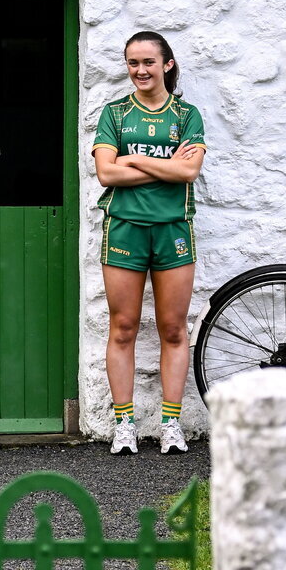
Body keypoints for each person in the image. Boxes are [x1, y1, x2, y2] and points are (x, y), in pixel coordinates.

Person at [92, 31, 206, 455]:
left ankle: (170, 425)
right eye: (133, 63)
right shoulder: (116, 114)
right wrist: (165, 164)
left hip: (173, 228)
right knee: (123, 327)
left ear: (167, 65)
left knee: (173, 329)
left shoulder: (187, 115)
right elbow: (107, 174)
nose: (140, 70)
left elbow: (188, 174)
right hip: (125, 227)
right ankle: (125, 425)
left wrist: (133, 159)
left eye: (148, 63)